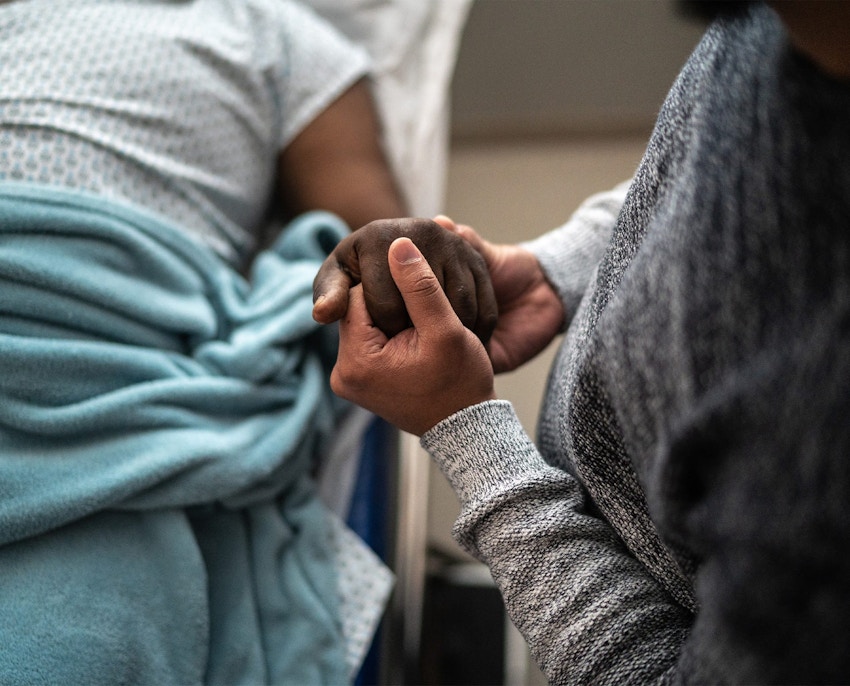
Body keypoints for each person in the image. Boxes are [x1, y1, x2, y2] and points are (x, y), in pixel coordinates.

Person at [319, 1, 850, 682]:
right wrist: (558, 270)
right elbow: (722, 155)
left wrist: (466, 435)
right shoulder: (781, 22)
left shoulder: (823, 442)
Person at [0, 0, 491, 683]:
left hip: (118, 400)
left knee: (76, 635)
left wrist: (405, 254)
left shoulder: (278, 38)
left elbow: (377, 250)